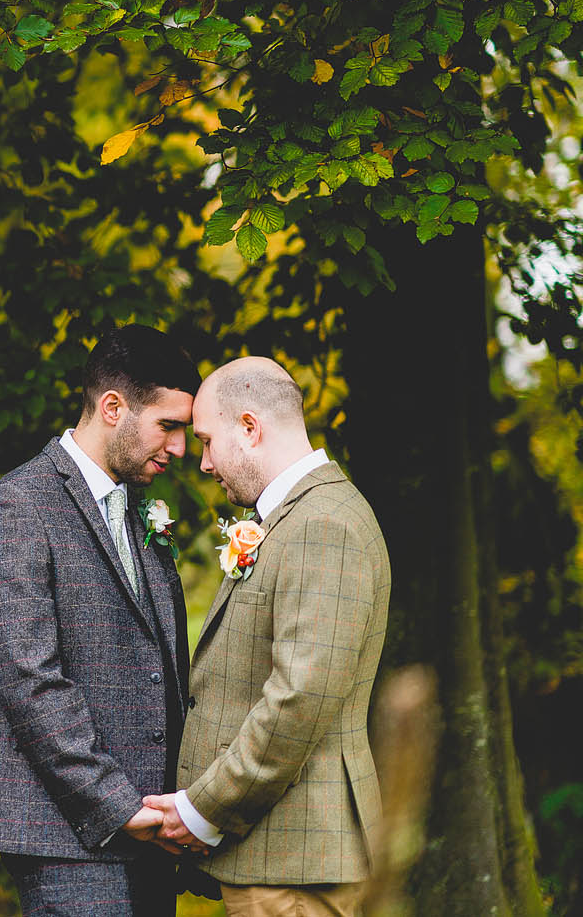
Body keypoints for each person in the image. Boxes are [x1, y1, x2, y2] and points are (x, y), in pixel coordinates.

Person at [141, 357, 392, 917]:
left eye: (207, 441)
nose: (202, 463)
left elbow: (299, 699)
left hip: (300, 861)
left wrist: (203, 810)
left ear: (250, 428)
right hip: (282, 855)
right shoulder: (296, 518)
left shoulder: (322, 525)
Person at [0, 325, 200, 917]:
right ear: (113, 408)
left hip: (150, 832)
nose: (179, 449)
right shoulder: (18, 505)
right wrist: (117, 805)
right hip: (67, 835)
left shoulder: (138, 510)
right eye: (168, 426)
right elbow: (28, 681)